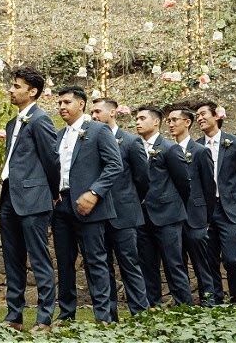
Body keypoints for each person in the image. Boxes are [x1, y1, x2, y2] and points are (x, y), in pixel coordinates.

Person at [0, 67, 58, 331]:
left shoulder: (41, 120)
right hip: (9, 195)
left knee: (39, 258)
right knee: (12, 258)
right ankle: (14, 316)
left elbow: (52, 161)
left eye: (17, 86)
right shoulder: (12, 124)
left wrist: (53, 194)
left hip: (34, 198)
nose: (11, 89)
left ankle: (44, 318)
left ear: (32, 92)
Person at [52, 86, 122, 323]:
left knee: (96, 261)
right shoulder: (58, 135)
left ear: (80, 104)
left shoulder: (99, 130)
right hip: (61, 206)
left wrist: (94, 193)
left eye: (66, 102)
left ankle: (104, 316)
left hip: (89, 206)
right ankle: (66, 314)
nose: (61, 107)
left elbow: (115, 165)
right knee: (64, 262)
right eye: (59, 103)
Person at [91, 97, 149, 319]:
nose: (94, 116)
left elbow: (143, 179)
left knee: (130, 265)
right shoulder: (91, 139)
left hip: (124, 214)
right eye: (93, 112)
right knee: (103, 267)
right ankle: (109, 316)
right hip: (98, 213)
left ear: (113, 112)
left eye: (98, 111)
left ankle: (140, 313)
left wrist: (130, 201)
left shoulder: (131, 141)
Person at [195, 98, 236, 304]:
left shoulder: (235, 143)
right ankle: (215, 300)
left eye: (203, 114)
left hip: (230, 208)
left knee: (232, 259)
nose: (199, 118)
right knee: (209, 258)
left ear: (216, 116)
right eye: (197, 116)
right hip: (206, 211)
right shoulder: (195, 146)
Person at [134, 106, 193, 307]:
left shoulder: (169, 147)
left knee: (173, 264)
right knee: (147, 265)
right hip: (141, 216)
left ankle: (184, 307)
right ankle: (154, 307)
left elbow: (184, 183)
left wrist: (172, 206)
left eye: (142, 118)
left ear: (156, 121)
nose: (137, 122)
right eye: (136, 118)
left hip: (167, 216)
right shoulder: (134, 146)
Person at [166, 106, 217, 305]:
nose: (170, 124)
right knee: (177, 261)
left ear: (187, 122)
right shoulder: (168, 150)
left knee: (201, 263)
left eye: (175, 120)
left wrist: (205, 218)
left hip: (195, 217)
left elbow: (209, 188)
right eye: (168, 121)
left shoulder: (200, 151)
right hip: (173, 216)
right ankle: (183, 303)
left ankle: (208, 301)